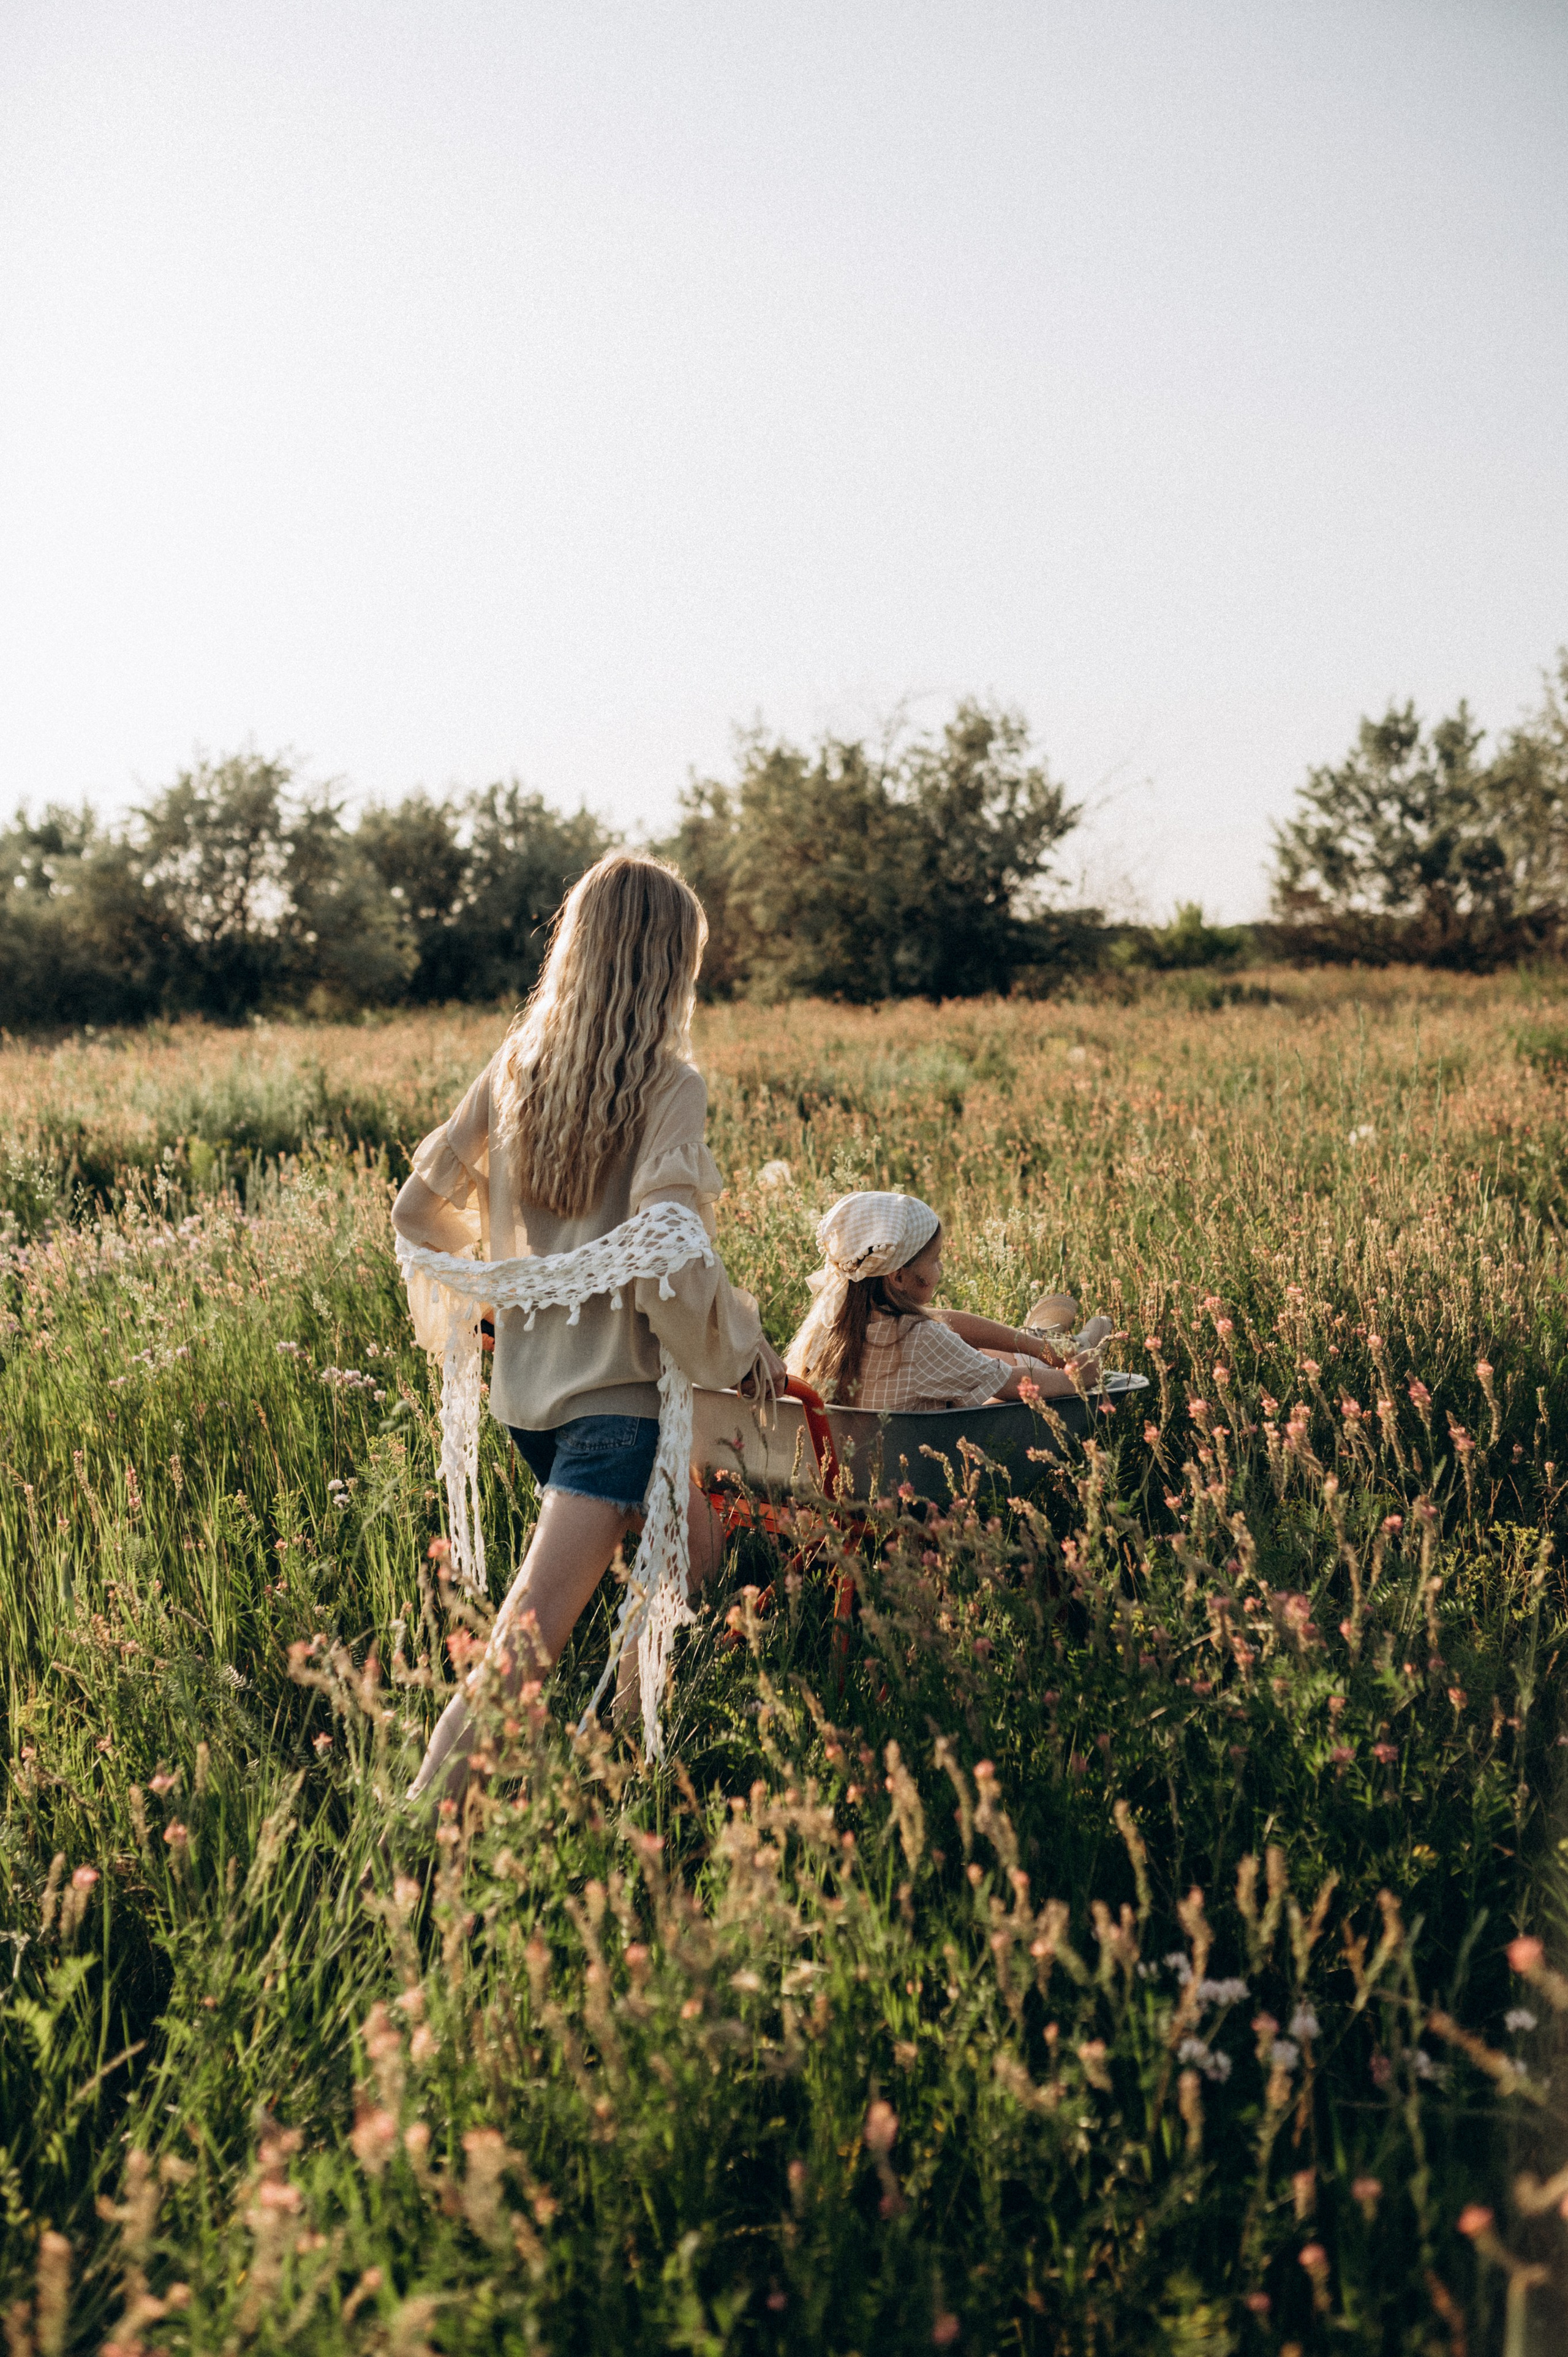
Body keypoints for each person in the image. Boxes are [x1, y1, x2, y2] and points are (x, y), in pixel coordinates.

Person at [392, 851, 786, 1799]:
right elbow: (664, 1251)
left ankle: (612, 1766)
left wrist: (510, 1287)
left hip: (532, 1401)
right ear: (662, 969)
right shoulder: (667, 1084)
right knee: (524, 1643)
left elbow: (417, 1212)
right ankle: (415, 1837)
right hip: (617, 1413)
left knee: (693, 1551)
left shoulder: (516, 1070)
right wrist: (740, 1342)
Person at [784, 1191, 1110, 1413]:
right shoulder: (919, 1340)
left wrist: (1034, 1347)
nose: (940, 1268)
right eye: (935, 1259)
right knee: (1010, 1369)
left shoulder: (833, 1319)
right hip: (918, 1469)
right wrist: (1077, 1377)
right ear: (899, 1277)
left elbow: (940, 1319)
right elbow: (1013, 1385)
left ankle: (1045, 1339)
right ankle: (1065, 1342)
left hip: (844, 1465)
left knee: (989, 1356)